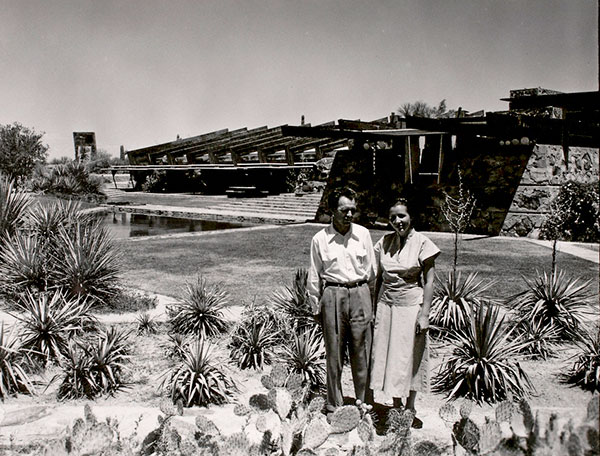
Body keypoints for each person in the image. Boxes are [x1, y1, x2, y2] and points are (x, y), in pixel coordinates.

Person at [369, 198, 440, 428]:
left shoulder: (423, 243)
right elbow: (377, 278)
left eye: (402, 216)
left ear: (411, 217)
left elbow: (429, 281)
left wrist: (424, 314)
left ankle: (410, 407)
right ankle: (396, 405)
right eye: (392, 217)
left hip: (411, 307)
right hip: (386, 306)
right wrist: (373, 309)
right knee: (390, 358)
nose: (397, 221)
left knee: (410, 357)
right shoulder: (384, 242)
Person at [307, 187, 376, 412]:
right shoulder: (320, 239)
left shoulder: (363, 234)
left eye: (352, 210)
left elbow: (371, 271)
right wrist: (315, 306)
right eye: (344, 210)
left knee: (362, 351)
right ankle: (334, 405)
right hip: (333, 295)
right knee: (334, 354)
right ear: (332, 210)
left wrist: (368, 302)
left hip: (360, 292)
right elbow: (314, 273)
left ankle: (364, 403)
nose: (349, 215)